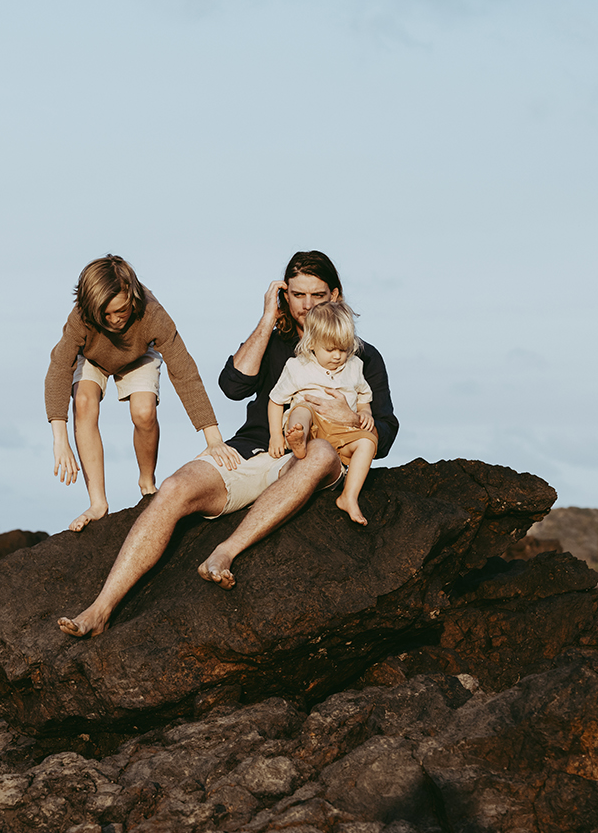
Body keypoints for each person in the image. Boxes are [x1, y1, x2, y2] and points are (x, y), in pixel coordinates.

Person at [58, 250, 397, 636]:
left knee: (319, 452)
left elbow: (384, 432)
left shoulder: (360, 358)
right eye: (297, 295)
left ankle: (224, 552)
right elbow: (232, 386)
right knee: (174, 487)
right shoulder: (273, 341)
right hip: (253, 448)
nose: (306, 306)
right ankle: (100, 610)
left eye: (317, 296)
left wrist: (350, 418)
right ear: (284, 295)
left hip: (311, 457)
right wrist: (268, 319)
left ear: (335, 296)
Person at [46, 254, 237, 533]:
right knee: (84, 402)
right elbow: (59, 368)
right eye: (105, 314)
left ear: (132, 298)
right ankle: (98, 504)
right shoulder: (81, 317)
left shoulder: (152, 314)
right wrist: (59, 440)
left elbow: (184, 370)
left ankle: (147, 484)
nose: (114, 320)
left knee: (144, 411)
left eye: (120, 311)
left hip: (137, 355)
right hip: (93, 357)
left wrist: (213, 437)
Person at [267, 300, 378, 525]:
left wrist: (365, 413)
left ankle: (349, 496)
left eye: (343, 349)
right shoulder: (298, 367)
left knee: (368, 442)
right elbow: (275, 401)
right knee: (302, 409)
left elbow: (365, 396)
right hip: (312, 425)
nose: (337, 356)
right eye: (330, 349)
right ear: (311, 344)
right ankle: (298, 439)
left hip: (341, 431)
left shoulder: (355, 366)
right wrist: (275, 436)